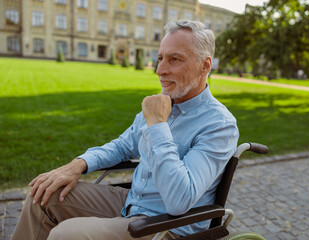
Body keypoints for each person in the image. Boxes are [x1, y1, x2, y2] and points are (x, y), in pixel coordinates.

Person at [11, 20, 239, 240]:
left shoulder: (219, 125)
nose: (160, 70)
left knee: (67, 234)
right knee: (42, 195)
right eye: (160, 58)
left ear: (205, 65)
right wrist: (78, 164)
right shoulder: (161, 104)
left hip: (167, 227)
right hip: (131, 203)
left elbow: (179, 200)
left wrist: (158, 125)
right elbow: (122, 146)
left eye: (174, 59)